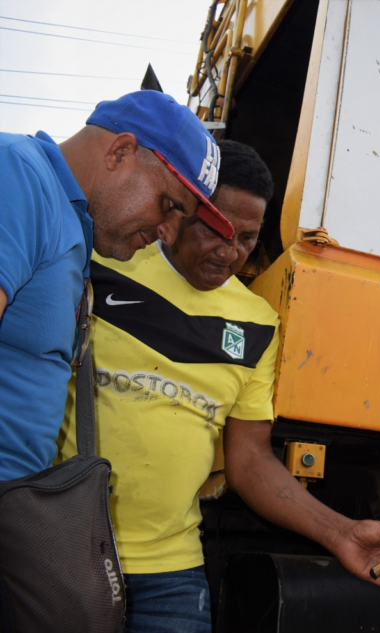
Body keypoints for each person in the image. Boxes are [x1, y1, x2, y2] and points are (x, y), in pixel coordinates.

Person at [57, 140, 380, 633]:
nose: (230, 253)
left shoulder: (257, 325)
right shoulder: (101, 265)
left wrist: (340, 533)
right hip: (59, 558)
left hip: (168, 581)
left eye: (247, 239)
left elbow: (249, 461)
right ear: (175, 211)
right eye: (216, 229)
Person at [0, 89, 232, 482]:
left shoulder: (67, 222)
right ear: (120, 152)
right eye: (170, 205)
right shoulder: (21, 177)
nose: (169, 234)